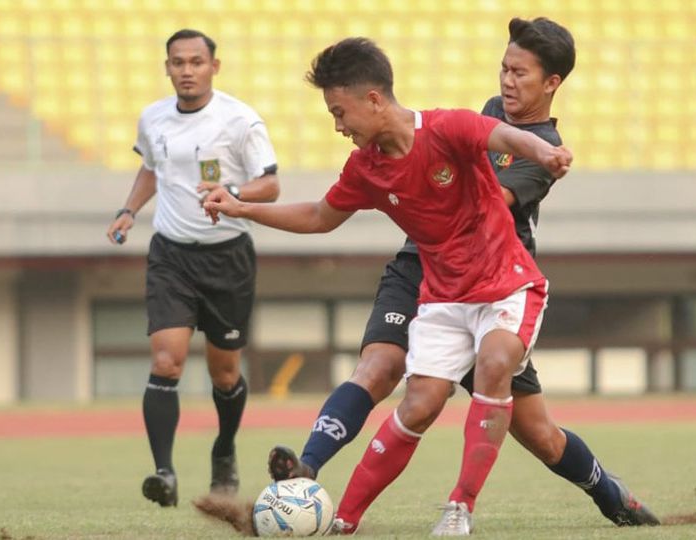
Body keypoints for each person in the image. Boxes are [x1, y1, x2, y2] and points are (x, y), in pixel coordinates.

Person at [267, 17, 660, 531]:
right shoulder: (494, 115)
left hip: (492, 280)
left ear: (551, 83)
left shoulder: (541, 148)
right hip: (423, 268)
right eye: (503, 68)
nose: (506, 81)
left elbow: (477, 202)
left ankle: (609, 493)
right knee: (380, 366)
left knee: (538, 432)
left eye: (520, 73)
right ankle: (306, 470)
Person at [203, 37, 571, 535]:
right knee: (408, 394)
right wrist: (243, 209)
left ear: (373, 99)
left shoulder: (449, 127)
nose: (337, 126)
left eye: (340, 112)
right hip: (436, 287)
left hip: (502, 282)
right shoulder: (365, 168)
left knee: (528, 414)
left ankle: (469, 505)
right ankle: (334, 506)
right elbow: (318, 216)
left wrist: (545, 152)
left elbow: (508, 140)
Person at [106, 29, 280, 507]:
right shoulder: (153, 118)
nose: (187, 70)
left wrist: (235, 195)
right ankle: (163, 471)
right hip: (171, 254)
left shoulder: (240, 120)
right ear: (167, 67)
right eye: (178, 62)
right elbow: (151, 168)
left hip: (228, 256)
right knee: (166, 361)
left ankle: (224, 450)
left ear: (213, 67)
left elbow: (271, 186)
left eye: (196, 62)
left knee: (225, 375)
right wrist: (128, 210)